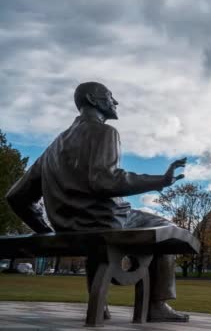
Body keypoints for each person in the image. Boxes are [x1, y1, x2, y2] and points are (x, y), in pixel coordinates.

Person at [6, 82, 190, 322]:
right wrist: (160, 180)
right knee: (166, 229)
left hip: (71, 227)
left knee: (101, 233)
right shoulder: (104, 132)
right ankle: (157, 305)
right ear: (93, 99)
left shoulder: (53, 147)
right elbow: (104, 181)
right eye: (110, 96)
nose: (115, 102)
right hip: (107, 220)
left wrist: (47, 230)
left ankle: (101, 305)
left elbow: (16, 197)